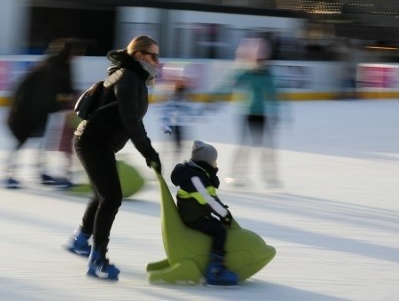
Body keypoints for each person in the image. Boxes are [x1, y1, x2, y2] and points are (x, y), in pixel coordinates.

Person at [64, 35, 162, 281]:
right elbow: (132, 122)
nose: (157, 62)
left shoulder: (132, 76)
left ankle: (80, 239)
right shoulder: (128, 78)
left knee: (103, 193)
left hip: (98, 144)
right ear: (139, 55)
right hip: (91, 142)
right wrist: (149, 153)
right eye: (154, 56)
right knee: (111, 196)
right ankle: (97, 259)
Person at [4, 38, 86, 189]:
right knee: (21, 141)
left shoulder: (64, 65)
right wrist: (62, 105)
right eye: (76, 53)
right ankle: (9, 175)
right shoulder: (50, 67)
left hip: (41, 110)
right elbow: (45, 93)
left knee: (42, 142)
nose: (78, 56)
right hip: (25, 110)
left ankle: (40, 172)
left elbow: (67, 88)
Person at [170, 140, 238, 287]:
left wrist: (223, 212)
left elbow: (210, 197)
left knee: (218, 225)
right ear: (206, 162)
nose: (216, 164)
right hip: (193, 218)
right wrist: (225, 215)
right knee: (219, 231)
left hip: (195, 214)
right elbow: (209, 200)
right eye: (214, 160)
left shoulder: (197, 174)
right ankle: (215, 271)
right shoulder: (195, 179)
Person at [228, 37, 280, 188]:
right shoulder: (245, 73)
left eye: (262, 58)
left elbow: (274, 95)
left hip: (262, 114)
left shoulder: (267, 75)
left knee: (267, 147)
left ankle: (270, 176)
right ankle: (235, 175)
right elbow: (229, 84)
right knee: (244, 146)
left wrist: (276, 113)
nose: (260, 61)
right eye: (257, 58)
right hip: (247, 113)